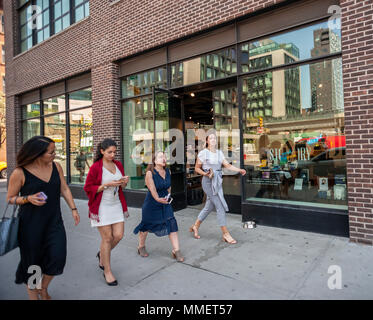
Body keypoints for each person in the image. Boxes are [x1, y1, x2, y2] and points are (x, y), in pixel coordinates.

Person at [6, 136, 80, 300]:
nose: (55, 154)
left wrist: (73, 209)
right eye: (51, 152)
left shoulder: (56, 167)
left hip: (54, 222)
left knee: (58, 257)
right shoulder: (20, 173)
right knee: (33, 265)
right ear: (37, 154)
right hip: (30, 226)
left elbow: (65, 189)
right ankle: (34, 295)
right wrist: (27, 199)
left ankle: (43, 287)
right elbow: (10, 198)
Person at [83, 138, 129, 286]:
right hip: (101, 206)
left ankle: (102, 254)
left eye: (114, 152)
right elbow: (88, 187)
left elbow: (121, 187)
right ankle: (107, 271)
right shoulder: (96, 167)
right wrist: (105, 185)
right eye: (109, 152)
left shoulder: (118, 165)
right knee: (107, 238)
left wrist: (123, 182)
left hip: (116, 205)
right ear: (102, 151)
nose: (112, 155)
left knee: (119, 235)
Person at [189, 133, 246, 244]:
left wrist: (239, 170)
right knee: (219, 206)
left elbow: (228, 166)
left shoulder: (219, 153)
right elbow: (197, 168)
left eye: (215, 138)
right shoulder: (203, 153)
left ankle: (196, 226)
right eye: (211, 138)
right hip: (208, 182)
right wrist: (205, 174)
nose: (213, 139)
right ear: (207, 141)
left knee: (208, 207)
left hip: (217, 181)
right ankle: (225, 234)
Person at [133, 151, 184, 262]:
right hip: (152, 204)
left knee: (172, 224)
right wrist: (158, 199)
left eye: (165, 156)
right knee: (146, 226)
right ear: (154, 161)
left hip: (165, 202)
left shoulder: (168, 171)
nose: (164, 158)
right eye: (161, 157)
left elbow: (168, 187)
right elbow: (153, 190)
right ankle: (141, 246)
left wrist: (168, 196)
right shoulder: (150, 173)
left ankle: (177, 250)